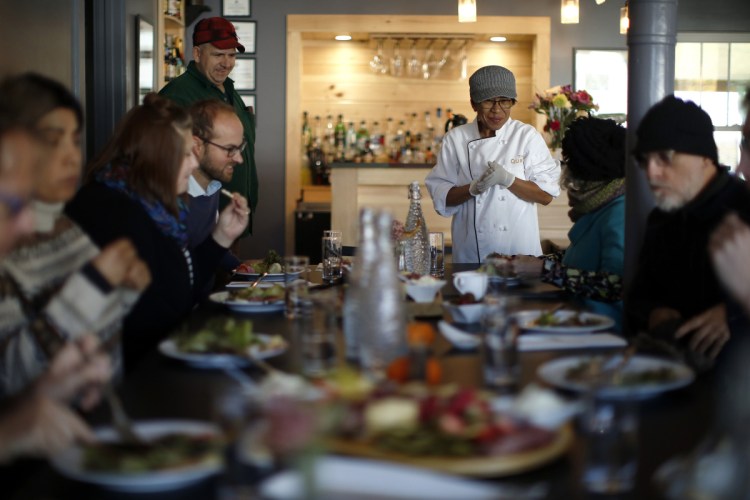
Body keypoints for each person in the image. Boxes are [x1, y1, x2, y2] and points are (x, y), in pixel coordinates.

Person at [66, 93, 250, 369]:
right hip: (128, 377)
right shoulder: (109, 210)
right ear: (155, 154)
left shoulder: (159, 206)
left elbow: (180, 287)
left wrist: (221, 237)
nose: (193, 163)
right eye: (185, 154)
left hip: (162, 361)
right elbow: (149, 315)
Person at [0, 73, 150, 397]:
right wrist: (95, 284)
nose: (72, 157)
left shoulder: (66, 226)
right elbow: (10, 378)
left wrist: (123, 293)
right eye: (54, 142)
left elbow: (91, 328)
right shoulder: (7, 245)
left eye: (76, 141)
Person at [628, 95, 750, 363]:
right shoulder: (661, 218)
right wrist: (653, 313)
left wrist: (732, 312)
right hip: (665, 371)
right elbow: (638, 296)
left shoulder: (743, 210)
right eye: (644, 161)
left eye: (664, 158)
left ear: (705, 158)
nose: (651, 173)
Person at [425, 65, 561, 263]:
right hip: (471, 253)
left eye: (504, 101)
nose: (497, 110)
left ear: (512, 102)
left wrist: (508, 179)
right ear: (474, 104)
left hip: (520, 254)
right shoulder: (455, 139)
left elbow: (546, 195)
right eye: (488, 101)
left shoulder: (526, 136)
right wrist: (472, 189)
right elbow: (443, 199)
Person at [513, 117, 626, 330]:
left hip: (605, 333)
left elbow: (615, 284)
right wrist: (531, 261)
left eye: (571, 162)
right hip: (577, 319)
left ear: (589, 167)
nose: (567, 171)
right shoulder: (601, 203)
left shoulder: (619, 212)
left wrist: (544, 271)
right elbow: (584, 258)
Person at [159, 16, 257, 235]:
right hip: (201, 219)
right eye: (218, 54)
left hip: (233, 213)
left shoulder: (228, 89)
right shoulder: (177, 95)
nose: (227, 63)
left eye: (231, 55)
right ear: (197, 54)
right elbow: (165, 162)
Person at [187, 99, 243, 276]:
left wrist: (242, 269)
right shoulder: (169, 199)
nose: (239, 159)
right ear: (197, 146)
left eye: (240, 147)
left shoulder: (211, 187)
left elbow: (207, 250)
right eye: (229, 149)